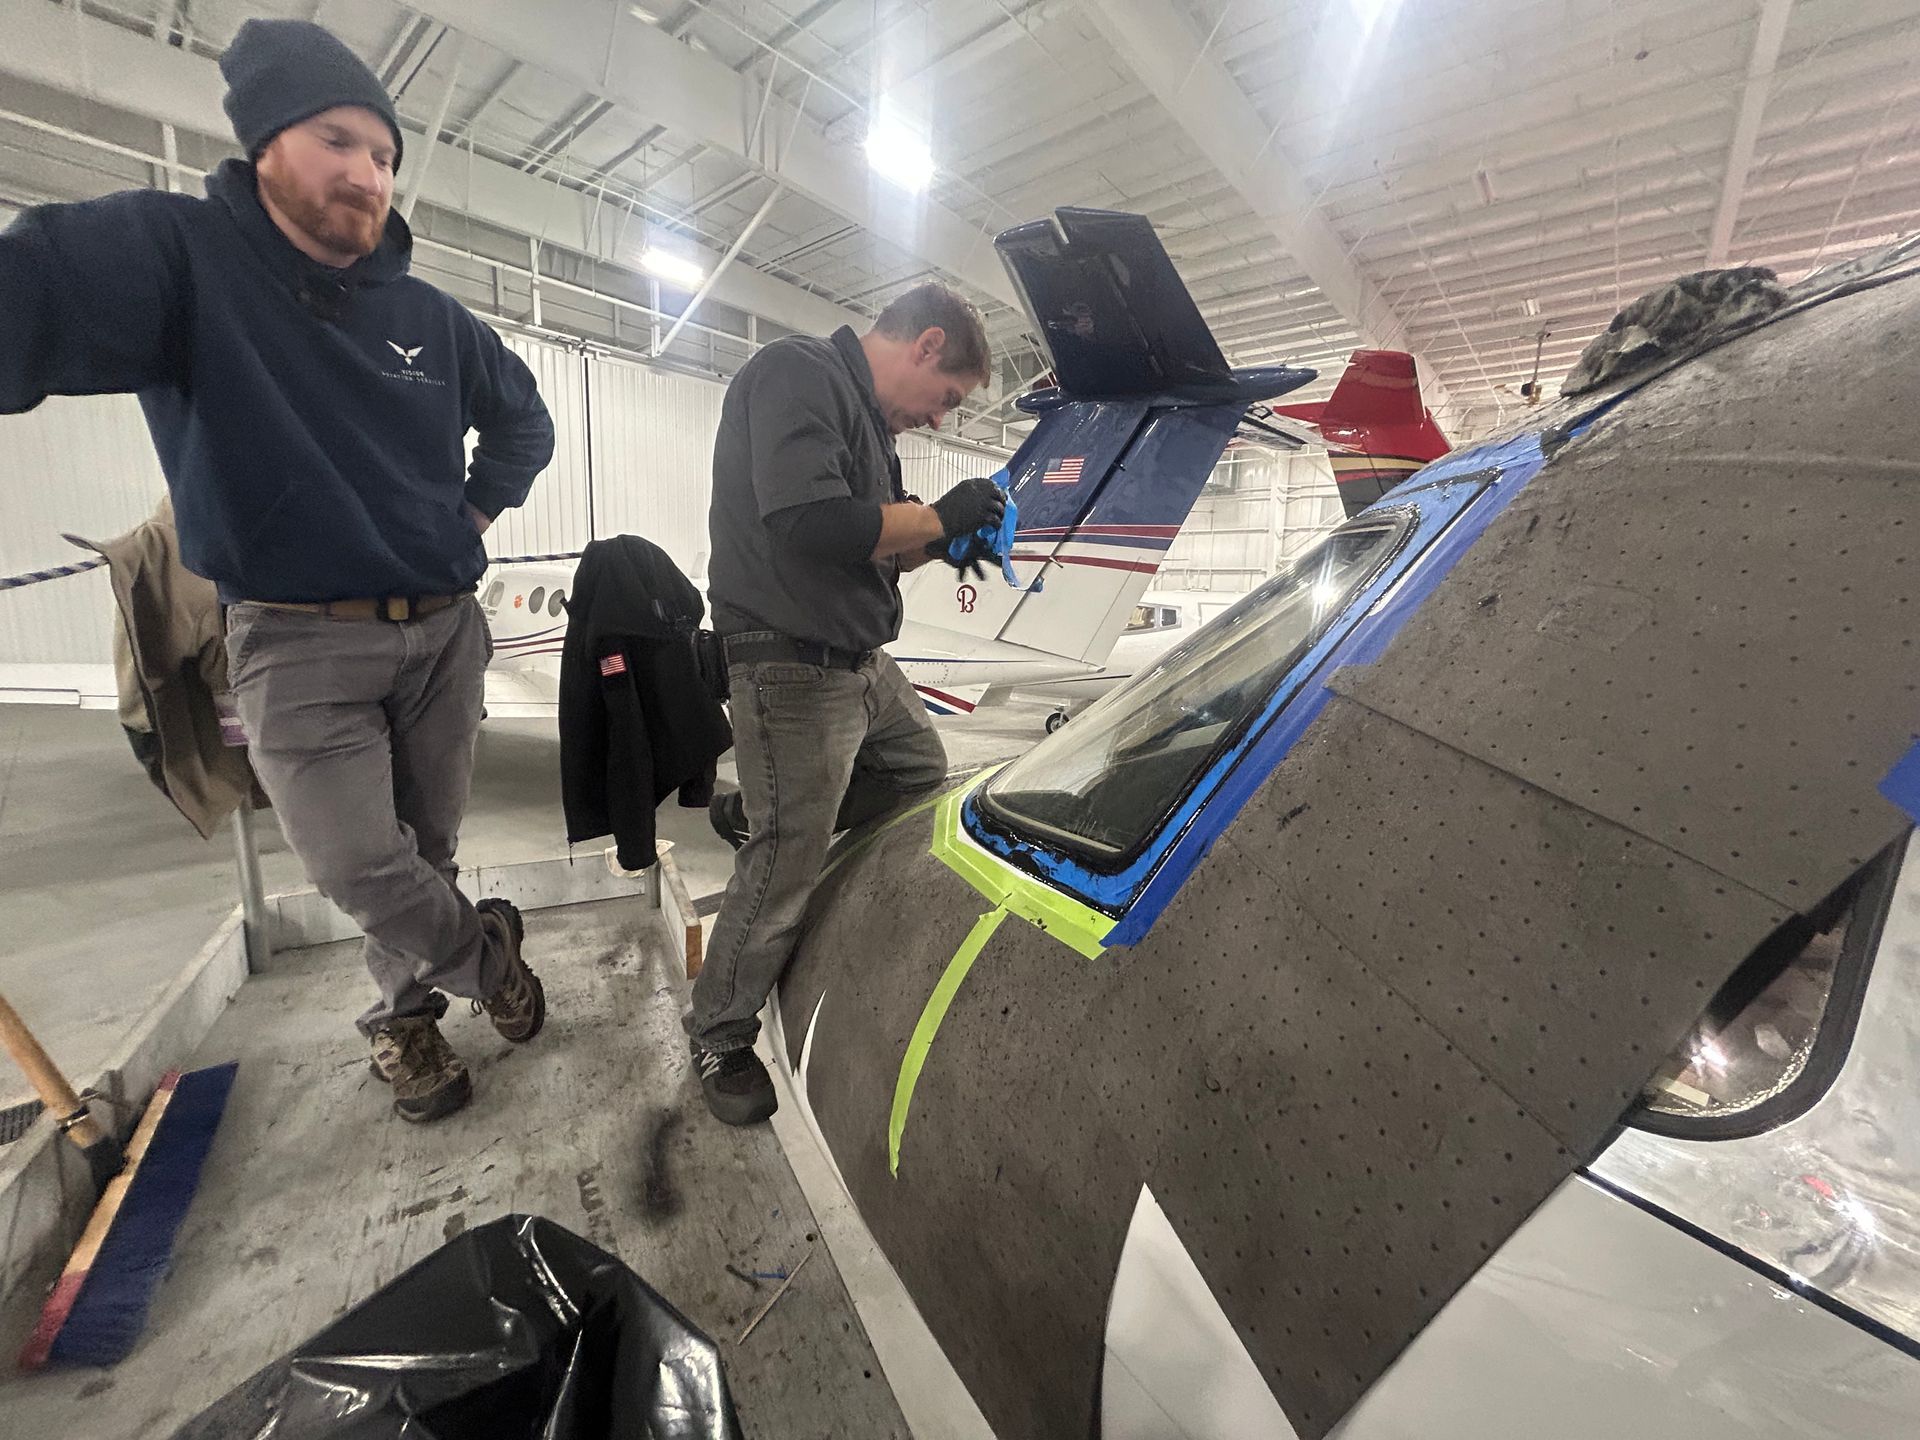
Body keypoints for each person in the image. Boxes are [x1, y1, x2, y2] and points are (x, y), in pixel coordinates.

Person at [0, 19, 556, 1124]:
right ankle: (484, 958)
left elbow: (524, 423)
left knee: (426, 847)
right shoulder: (180, 261)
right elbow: (32, 298)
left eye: (385, 155)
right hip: (295, 641)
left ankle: (405, 1023)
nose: (367, 174)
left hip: (444, 630)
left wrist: (471, 516)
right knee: (359, 862)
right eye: (338, 141)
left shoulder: (432, 321)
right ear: (266, 148)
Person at [692, 283, 1001, 1124]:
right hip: (791, 666)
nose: (940, 420)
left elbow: (870, 553)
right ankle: (719, 1030)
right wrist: (937, 513)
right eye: (946, 400)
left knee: (917, 772)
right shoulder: (795, 375)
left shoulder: (865, 424)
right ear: (926, 345)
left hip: (857, 661)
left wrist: (943, 541)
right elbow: (811, 524)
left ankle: (764, 813)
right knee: (785, 863)